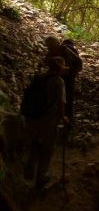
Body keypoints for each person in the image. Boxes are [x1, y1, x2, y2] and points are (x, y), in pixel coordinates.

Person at [24, 56, 67, 189]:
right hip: (47, 119)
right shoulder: (58, 81)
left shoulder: (40, 77)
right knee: (47, 149)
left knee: (35, 143)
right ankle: (41, 178)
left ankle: (29, 168)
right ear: (60, 69)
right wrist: (63, 118)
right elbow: (61, 102)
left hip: (32, 117)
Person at [44, 36, 82, 135]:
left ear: (57, 44)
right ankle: (53, 126)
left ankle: (68, 128)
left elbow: (79, 62)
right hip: (55, 77)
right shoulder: (51, 51)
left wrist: (71, 73)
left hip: (68, 80)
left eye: (51, 47)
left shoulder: (67, 51)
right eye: (49, 47)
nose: (50, 49)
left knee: (68, 102)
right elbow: (46, 61)